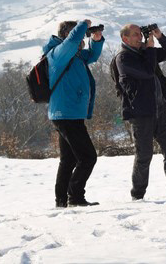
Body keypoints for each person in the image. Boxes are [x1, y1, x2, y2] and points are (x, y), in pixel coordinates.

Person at [112, 23, 166, 200]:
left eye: (140, 34)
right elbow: (147, 71)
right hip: (141, 112)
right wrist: (150, 49)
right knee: (144, 155)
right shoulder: (123, 58)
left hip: (160, 107)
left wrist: (159, 36)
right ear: (125, 38)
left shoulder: (145, 52)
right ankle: (138, 195)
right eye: (135, 35)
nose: (140, 37)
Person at [44, 19, 105, 208]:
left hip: (69, 113)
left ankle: (61, 200)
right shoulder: (58, 53)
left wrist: (96, 39)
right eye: (79, 35)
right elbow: (71, 42)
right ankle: (75, 197)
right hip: (66, 114)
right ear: (66, 35)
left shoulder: (75, 56)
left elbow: (92, 55)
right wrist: (82, 25)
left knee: (69, 159)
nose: (81, 39)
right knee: (88, 157)